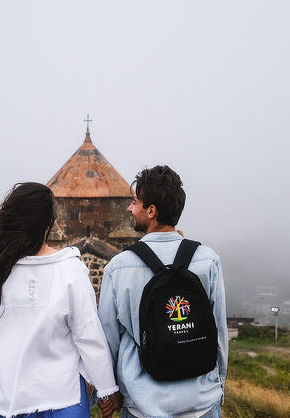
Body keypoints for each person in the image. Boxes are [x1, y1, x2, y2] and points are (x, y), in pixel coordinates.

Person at [0, 182, 121, 418]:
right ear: (49, 223)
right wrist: (107, 389)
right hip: (63, 398)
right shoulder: (70, 270)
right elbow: (88, 335)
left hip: (8, 400)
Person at [98, 166, 228, 418]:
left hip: (142, 406)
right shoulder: (207, 260)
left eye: (135, 202)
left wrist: (109, 392)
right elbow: (219, 332)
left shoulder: (119, 267)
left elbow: (108, 340)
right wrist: (218, 384)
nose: (129, 208)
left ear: (151, 211)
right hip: (202, 403)